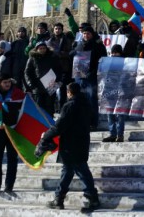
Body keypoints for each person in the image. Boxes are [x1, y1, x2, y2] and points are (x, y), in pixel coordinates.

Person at [44, 83, 100, 212]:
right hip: (82, 141)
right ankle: (59, 198)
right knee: (68, 170)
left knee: (81, 170)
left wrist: (46, 136)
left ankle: (92, 197)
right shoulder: (87, 104)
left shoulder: (69, 105)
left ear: (69, 92)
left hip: (70, 143)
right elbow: (93, 121)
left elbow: (60, 126)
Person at [70, 27, 107, 129]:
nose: (86, 36)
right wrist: (73, 50)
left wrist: (94, 72)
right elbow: (71, 57)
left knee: (91, 100)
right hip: (79, 77)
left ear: (92, 34)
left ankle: (93, 123)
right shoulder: (79, 45)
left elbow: (103, 61)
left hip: (91, 77)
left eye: (88, 34)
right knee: (79, 100)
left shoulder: (98, 46)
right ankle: (81, 122)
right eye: (84, 33)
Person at [24, 41, 63, 116]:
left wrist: (57, 80)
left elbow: (59, 69)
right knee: (39, 107)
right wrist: (31, 84)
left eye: (44, 48)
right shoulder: (32, 58)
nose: (42, 50)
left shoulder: (52, 57)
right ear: (37, 49)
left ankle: (50, 125)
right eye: (40, 48)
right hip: (37, 87)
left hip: (50, 86)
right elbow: (27, 72)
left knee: (50, 107)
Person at [103, 44, 127, 143]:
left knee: (120, 114)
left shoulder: (126, 63)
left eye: (116, 53)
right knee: (110, 114)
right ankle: (112, 134)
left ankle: (120, 134)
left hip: (121, 91)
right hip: (109, 91)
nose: (114, 55)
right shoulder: (108, 63)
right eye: (112, 53)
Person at [49, 22, 75, 111]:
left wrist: (58, 53)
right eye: (56, 28)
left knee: (62, 89)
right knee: (51, 90)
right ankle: (51, 109)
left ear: (62, 30)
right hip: (52, 68)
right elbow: (48, 52)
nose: (57, 30)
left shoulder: (66, 40)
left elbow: (69, 53)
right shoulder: (50, 40)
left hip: (63, 68)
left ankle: (62, 109)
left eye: (59, 29)